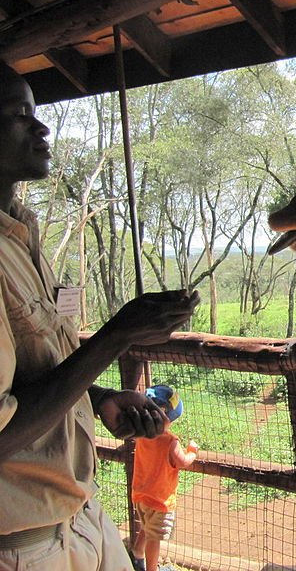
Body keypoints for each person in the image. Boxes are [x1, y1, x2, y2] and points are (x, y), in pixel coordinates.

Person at [0, 60, 200, 571]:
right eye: (19, 115)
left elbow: (33, 380)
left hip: (81, 519)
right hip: (24, 548)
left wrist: (102, 398)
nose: (42, 128)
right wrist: (115, 337)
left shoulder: (20, 238)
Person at [130, 385, 198, 571]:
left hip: (141, 495)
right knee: (155, 536)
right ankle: (152, 569)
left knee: (147, 525)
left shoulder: (141, 435)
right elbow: (183, 461)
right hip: (160, 500)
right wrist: (192, 451)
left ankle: (137, 552)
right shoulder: (170, 442)